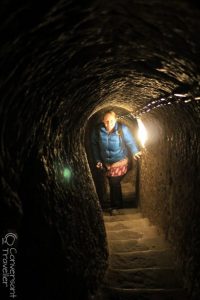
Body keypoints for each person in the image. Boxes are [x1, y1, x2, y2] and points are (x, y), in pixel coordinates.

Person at [91, 110, 141, 214]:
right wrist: (97, 160)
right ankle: (118, 203)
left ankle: (115, 206)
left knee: (114, 182)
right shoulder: (98, 130)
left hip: (120, 160)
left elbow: (130, 141)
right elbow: (94, 145)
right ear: (102, 120)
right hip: (106, 163)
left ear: (116, 120)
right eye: (106, 121)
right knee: (112, 181)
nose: (108, 124)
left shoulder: (122, 129)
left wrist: (135, 151)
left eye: (111, 121)